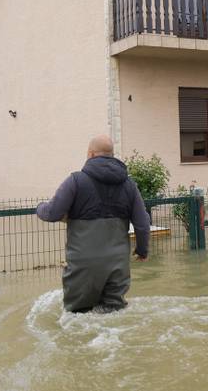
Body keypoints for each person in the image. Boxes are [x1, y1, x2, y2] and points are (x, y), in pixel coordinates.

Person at [37, 134, 150, 313]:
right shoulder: (129, 185)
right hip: (118, 264)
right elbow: (142, 223)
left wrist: (39, 208)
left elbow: (52, 213)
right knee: (114, 314)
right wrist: (142, 250)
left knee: (77, 316)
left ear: (90, 154)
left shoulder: (76, 181)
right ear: (112, 155)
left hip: (83, 264)